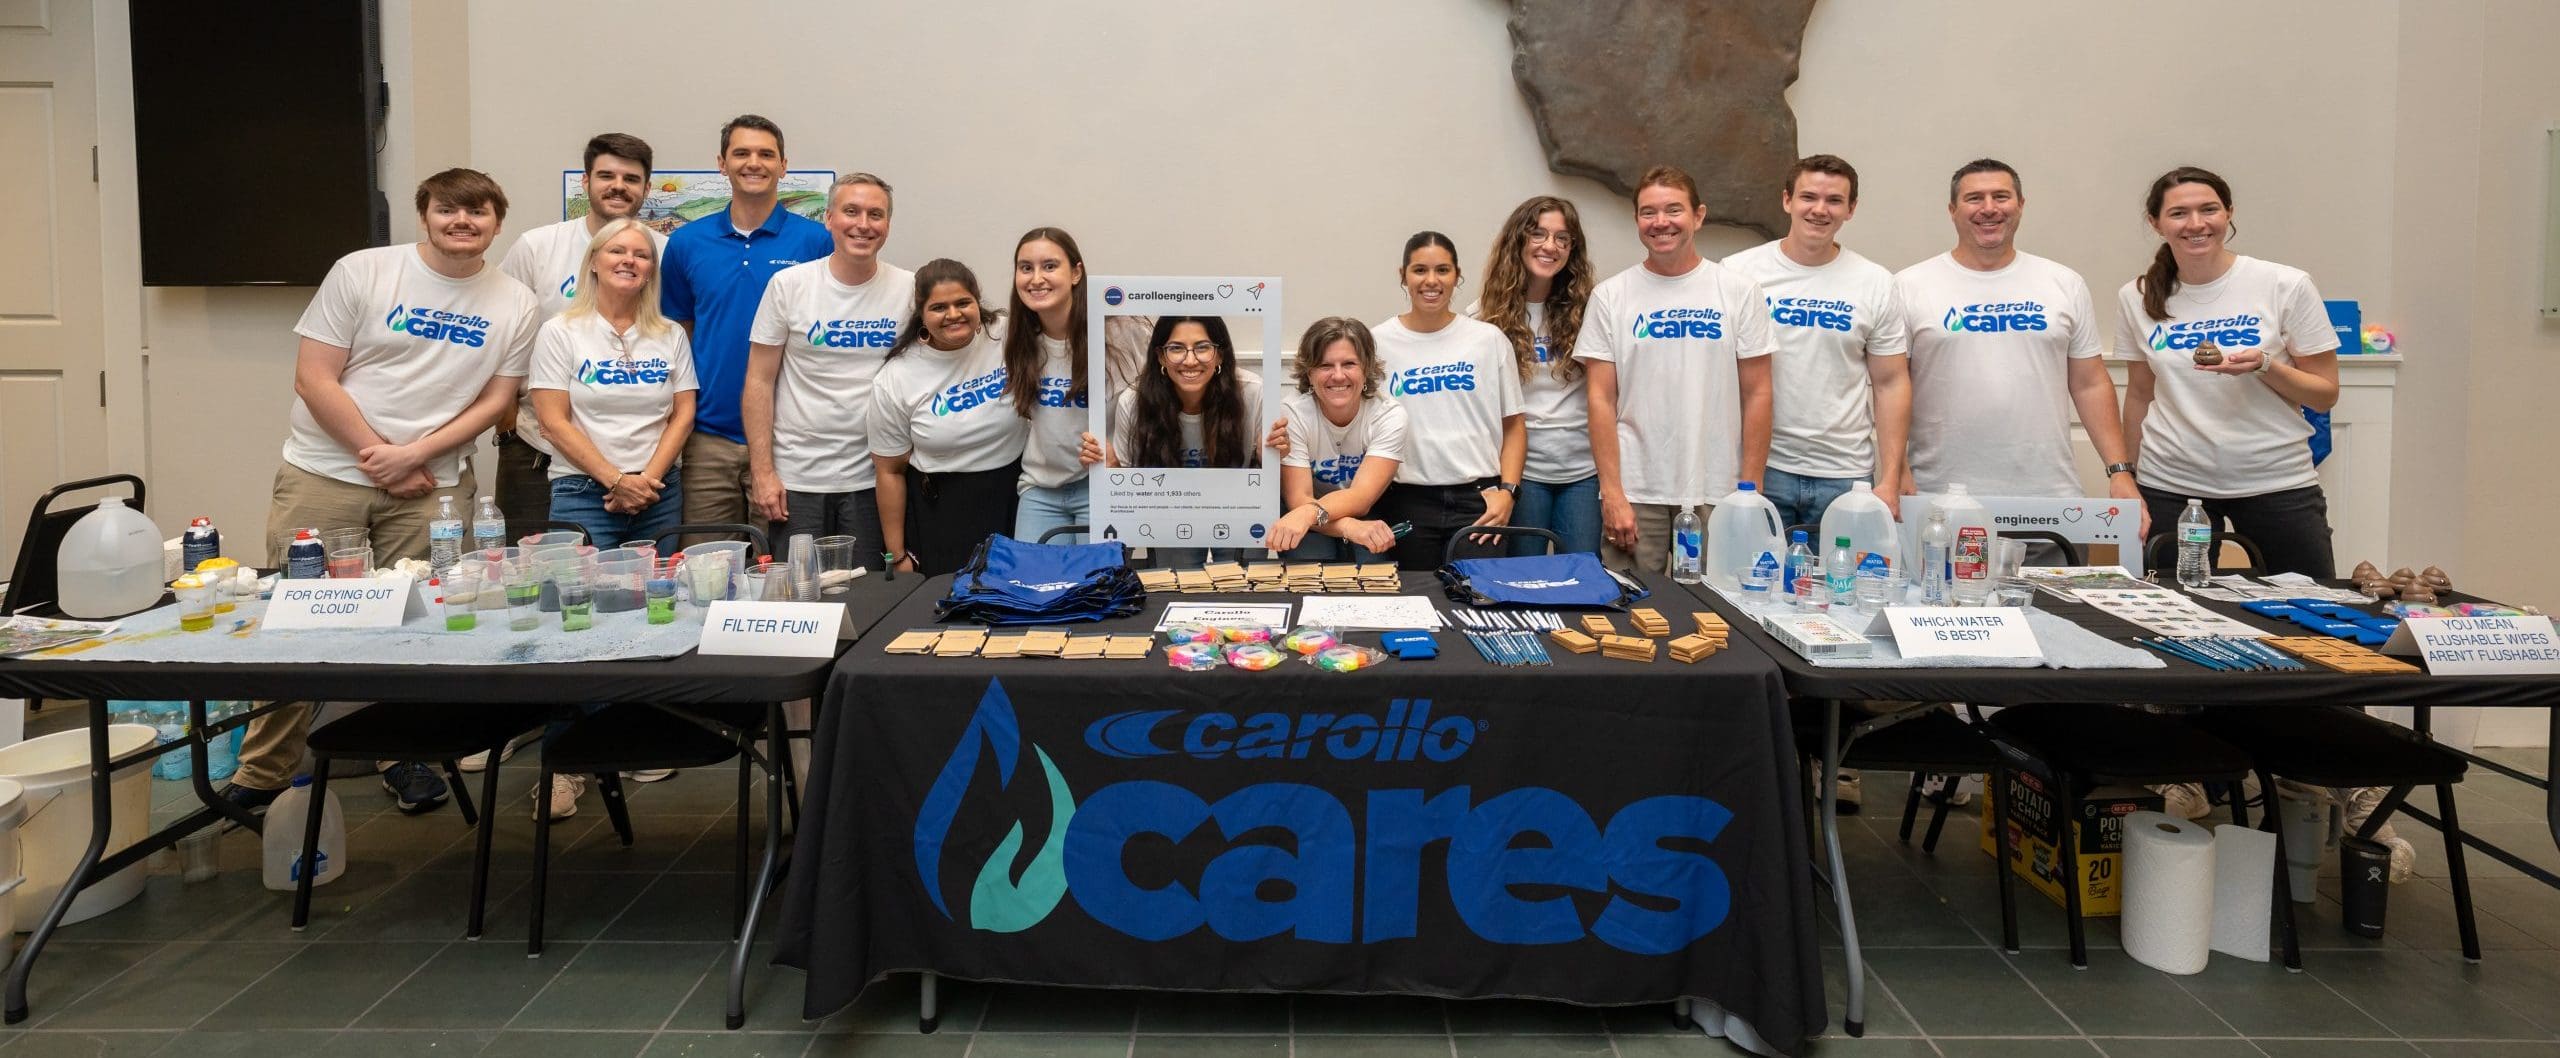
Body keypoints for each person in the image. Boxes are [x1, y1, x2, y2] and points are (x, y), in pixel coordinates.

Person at [227, 168, 540, 817]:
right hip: (325, 472)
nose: (464, 222)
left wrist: (417, 454)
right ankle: (261, 775)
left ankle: (405, 757)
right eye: (450, 210)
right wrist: (381, 456)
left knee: (419, 626)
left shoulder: (514, 301)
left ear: (497, 223)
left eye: (479, 213)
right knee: (297, 623)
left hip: (434, 485)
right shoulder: (363, 272)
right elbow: (314, 378)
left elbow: (497, 401)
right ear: (425, 215)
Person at [1893, 159, 2143, 538]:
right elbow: (1891, 385)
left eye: (2001, 196)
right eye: (1974, 198)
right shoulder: (1908, 286)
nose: (1989, 208)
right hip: (1939, 498)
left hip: (2048, 500)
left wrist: (2119, 471)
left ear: (2021, 205)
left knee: (2050, 599)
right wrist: (1896, 469)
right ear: (1952, 210)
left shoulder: (2063, 283)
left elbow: (2090, 383)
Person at [2117, 166, 2341, 577]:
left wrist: (2265, 366)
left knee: (2308, 613)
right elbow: (2139, 395)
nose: (2196, 224)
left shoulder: (2285, 284)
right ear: (2156, 223)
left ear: (2229, 213)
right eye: (2179, 213)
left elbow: (2324, 394)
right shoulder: (2136, 296)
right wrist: (2127, 478)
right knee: (2173, 616)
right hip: (2170, 484)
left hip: (2277, 481)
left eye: (2209, 210)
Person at [1575, 167, 1776, 575]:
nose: (1660, 222)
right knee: (1631, 612)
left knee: (1718, 615)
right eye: (1648, 212)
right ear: (1637, 221)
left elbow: (1758, 393)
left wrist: (1750, 491)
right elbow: (1599, 398)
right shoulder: (1611, 296)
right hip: (1637, 489)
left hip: (1716, 488)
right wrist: (1612, 492)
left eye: (1673, 210)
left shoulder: (1738, 291)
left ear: (1698, 216)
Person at [659, 115, 831, 529]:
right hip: (707, 436)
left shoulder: (815, 241)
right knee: (706, 569)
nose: (754, 162)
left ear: (784, 165)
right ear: (721, 163)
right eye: (741, 153)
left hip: (788, 437)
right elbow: (677, 336)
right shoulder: (686, 243)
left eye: (766, 154)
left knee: (782, 571)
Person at [1724, 154, 1912, 528]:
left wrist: (1891, 478)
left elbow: (1891, 383)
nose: (1819, 210)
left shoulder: (1875, 282)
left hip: (1845, 476)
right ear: (1787, 201)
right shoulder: (1738, 272)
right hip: (1762, 468)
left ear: (1851, 209)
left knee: (1841, 585)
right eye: (1808, 197)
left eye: (1834, 201)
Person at [496, 133, 663, 539]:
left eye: (631, 178)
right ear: (585, 182)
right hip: (538, 445)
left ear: (646, 188)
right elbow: (500, 333)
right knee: (536, 577)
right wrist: (505, 421)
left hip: (638, 458)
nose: (618, 186)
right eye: (606, 175)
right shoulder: (537, 247)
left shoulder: (663, 251)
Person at [741, 172, 908, 569]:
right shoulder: (789, 285)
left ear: (887, 225)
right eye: (851, 211)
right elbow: (758, 380)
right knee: (799, 600)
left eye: (876, 214)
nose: (863, 224)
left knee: (869, 600)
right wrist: (762, 472)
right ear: (829, 218)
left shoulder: (910, 289)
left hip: (874, 479)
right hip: (799, 478)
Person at [528, 218, 697, 548]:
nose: (629, 260)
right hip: (583, 492)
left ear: (650, 270)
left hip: (658, 493)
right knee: (579, 597)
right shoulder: (559, 331)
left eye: (641, 255)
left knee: (659, 596)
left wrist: (645, 482)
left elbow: (684, 414)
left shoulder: (670, 333)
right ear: (593, 261)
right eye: (616, 250)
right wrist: (616, 481)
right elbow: (552, 421)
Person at [869, 260, 1027, 575]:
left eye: (963, 303)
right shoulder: (896, 377)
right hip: (942, 511)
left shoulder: (1007, 335)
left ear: (977, 303)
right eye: (939, 307)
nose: (953, 314)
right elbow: (889, 472)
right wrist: (897, 556)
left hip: (1014, 496)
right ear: (921, 315)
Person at [1090, 316, 1277, 566]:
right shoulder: (1134, 402)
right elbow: (1125, 487)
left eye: (1203, 347)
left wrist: (1272, 456)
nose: (1190, 360)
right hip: (1170, 513)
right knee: (1178, 588)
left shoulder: (1253, 392)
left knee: (1242, 588)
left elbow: (1267, 472)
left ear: (1220, 355)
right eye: (1176, 348)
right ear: (1160, 357)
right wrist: (1111, 469)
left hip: (1239, 510)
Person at [1472, 196, 1600, 556]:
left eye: (1562, 238)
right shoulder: (1482, 320)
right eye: (1539, 234)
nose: (1550, 246)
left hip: (1582, 473)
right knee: (1523, 577)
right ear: (1518, 240)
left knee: (1581, 577)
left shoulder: (1590, 311)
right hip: (1522, 475)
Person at [1267, 317, 1407, 561]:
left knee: (1372, 566)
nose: (1338, 375)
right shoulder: (1292, 413)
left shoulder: (1389, 415)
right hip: (1305, 512)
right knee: (1309, 562)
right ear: (1309, 374)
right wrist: (1348, 528)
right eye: (1325, 366)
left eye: (1349, 364)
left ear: (1367, 369)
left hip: (1363, 511)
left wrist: (1309, 515)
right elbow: (1298, 500)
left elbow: (1361, 499)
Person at [1006, 227, 1104, 545]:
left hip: (1100, 485)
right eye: (1026, 268)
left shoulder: (1117, 336)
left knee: (1094, 590)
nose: (1036, 278)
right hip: (1040, 491)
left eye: (1050, 266)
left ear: (1076, 273)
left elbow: (1151, 407)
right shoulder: (1016, 339)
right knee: (1033, 588)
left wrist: (1120, 452)